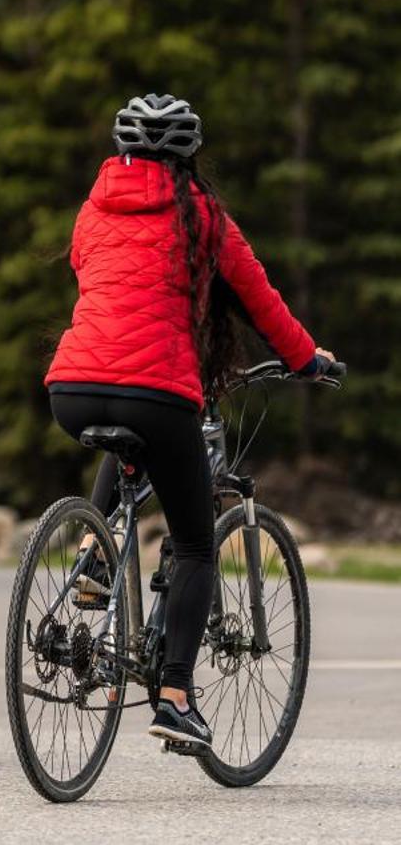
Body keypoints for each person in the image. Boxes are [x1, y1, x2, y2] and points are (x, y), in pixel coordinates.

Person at [45, 92, 334, 751]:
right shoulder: (203, 218)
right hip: (159, 393)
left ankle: (93, 554)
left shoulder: (91, 211)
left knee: (123, 437)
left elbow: (100, 281)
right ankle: (174, 697)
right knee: (197, 545)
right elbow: (260, 302)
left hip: (71, 387)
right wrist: (307, 361)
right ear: (188, 158)